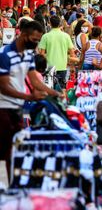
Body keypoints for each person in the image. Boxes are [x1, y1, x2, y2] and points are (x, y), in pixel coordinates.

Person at [0, 21, 61, 180]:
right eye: (34, 40)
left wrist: (54, 93)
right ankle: (13, 183)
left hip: (17, 108)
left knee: (18, 148)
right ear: (24, 35)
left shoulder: (27, 55)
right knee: (7, 150)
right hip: (4, 108)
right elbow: (4, 87)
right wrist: (29, 97)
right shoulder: (5, 55)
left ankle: (16, 183)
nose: (36, 44)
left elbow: (35, 80)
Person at [38, 15, 76, 89]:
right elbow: (72, 54)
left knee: (49, 88)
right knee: (62, 89)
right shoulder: (66, 36)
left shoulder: (45, 36)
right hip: (62, 67)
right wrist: (72, 67)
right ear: (60, 24)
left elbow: (41, 54)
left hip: (49, 68)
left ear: (50, 23)